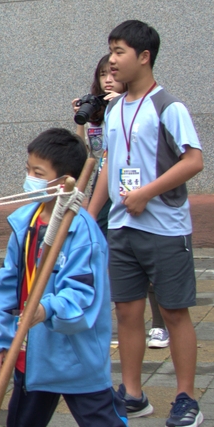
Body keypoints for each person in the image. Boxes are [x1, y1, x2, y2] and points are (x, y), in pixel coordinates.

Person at [0, 129, 179, 427]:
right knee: (22, 426)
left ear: (65, 181)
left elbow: (82, 294)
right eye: (28, 169)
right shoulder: (27, 222)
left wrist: (46, 310)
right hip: (31, 352)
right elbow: (8, 284)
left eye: (37, 172)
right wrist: (3, 339)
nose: (29, 179)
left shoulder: (81, 230)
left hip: (74, 355)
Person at [101, 20, 205, 427]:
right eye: (111, 51)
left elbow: (193, 160)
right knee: (127, 311)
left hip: (165, 227)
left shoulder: (169, 107)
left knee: (174, 312)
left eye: (120, 51)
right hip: (121, 226)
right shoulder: (114, 108)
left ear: (144, 57)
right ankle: (132, 393)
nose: (112, 60)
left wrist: (147, 192)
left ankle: (186, 398)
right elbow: (108, 165)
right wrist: (89, 214)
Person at [78, 57, 169, 351]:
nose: (108, 79)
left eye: (112, 73)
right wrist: (83, 119)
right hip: (106, 187)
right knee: (105, 255)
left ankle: (159, 323)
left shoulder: (141, 107)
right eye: (102, 74)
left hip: (137, 189)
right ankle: (102, 319)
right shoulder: (102, 110)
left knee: (144, 255)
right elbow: (95, 156)